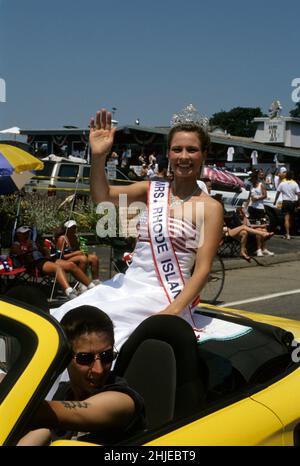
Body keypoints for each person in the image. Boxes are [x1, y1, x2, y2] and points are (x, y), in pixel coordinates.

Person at [50, 107, 252, 351]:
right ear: (168, 153)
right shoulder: (151, 190)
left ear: (204, 154)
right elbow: (102, 197)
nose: (183, 156)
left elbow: (203, 270)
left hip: (164, 294)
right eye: (177, 149)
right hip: (128, 285)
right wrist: (99, 157)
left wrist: (171, 312)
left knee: (103, 336)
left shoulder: (210, 207)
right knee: (66, 319)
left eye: (192, 149)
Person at [17, 305, 145, 445]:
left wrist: (12, 396)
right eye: (85, 358)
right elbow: (42, 430)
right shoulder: (64, 392)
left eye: (106, 356)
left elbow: (70, 412)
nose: (99, 370)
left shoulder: (123, 400)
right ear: (64, 358)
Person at [10, 226, 94, 300]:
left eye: (27, 232)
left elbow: (46, 252)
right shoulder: (16, 244)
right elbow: (22, 255)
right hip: (33, 264)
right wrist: (29, 248)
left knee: (71, 265)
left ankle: (91, 286)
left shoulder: (33, 241)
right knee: (57, 268)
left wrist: (43, 248)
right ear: (18, 234)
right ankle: (69, 292)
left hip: (44, 259)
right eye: (23, 233)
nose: (26, 234)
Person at [54, 220, 100, 285]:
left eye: (74, 227)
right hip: (63, 260)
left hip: (75, 257)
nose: (74, 229)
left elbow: (78, 250)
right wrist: (76, 253)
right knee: (82, 259)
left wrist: (81, 251)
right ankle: (81, 283)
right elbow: (60, 256)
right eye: (71, 228)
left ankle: (96, 281)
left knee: (94, 258)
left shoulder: (75, 237)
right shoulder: (62, 239)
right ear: (66, 229)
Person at [247, 170, 274, 257]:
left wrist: (257, 198)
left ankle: (264, 248)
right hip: (252, 209)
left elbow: (265, 195)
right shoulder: (251, 186)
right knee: (258, 230)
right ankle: (258, 248)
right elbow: (249, 197)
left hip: (260, 209)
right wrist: (246, 206)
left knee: (264, 229)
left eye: (253, 179)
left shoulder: (260, 185)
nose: (252, 181)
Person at [273, 170, 300, 240]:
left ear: (286, 176)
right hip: (293, 202)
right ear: (292, 176)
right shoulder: (295, 184)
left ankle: (287, 234)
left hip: (285, 202)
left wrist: (275, 201)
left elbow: (278, 193)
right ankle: (290, 233)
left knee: (286, 219)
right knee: (291, 218)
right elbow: (299, 195)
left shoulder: (282, 183)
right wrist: (298, 203)